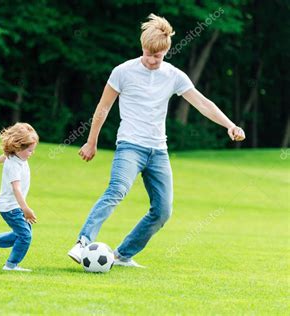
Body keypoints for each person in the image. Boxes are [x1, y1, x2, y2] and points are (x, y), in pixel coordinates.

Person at [67, 14, 245, 268]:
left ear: (166, 52)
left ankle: (122, 255)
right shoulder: (123, 72)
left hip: (158, 151)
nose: (152, 60)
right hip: (130, 146)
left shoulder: (174, 76)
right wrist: (91, 141)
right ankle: (83, 242)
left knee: (163, 211)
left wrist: (230, 125)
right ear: (142, 48)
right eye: (149, 54)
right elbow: (103, 108)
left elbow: (203, 103)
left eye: (158, 56)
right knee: (117, 190)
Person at [0, 122, 39, 272]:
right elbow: (16, 189)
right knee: (25, 236)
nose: (31, 153)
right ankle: (11, 265)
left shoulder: (15, 156)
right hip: (11, 207)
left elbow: (0, 158)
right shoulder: (14, 165)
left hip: (13, 206)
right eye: (29, 150)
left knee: (21, 234)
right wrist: (25, 208)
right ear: (18, 148)